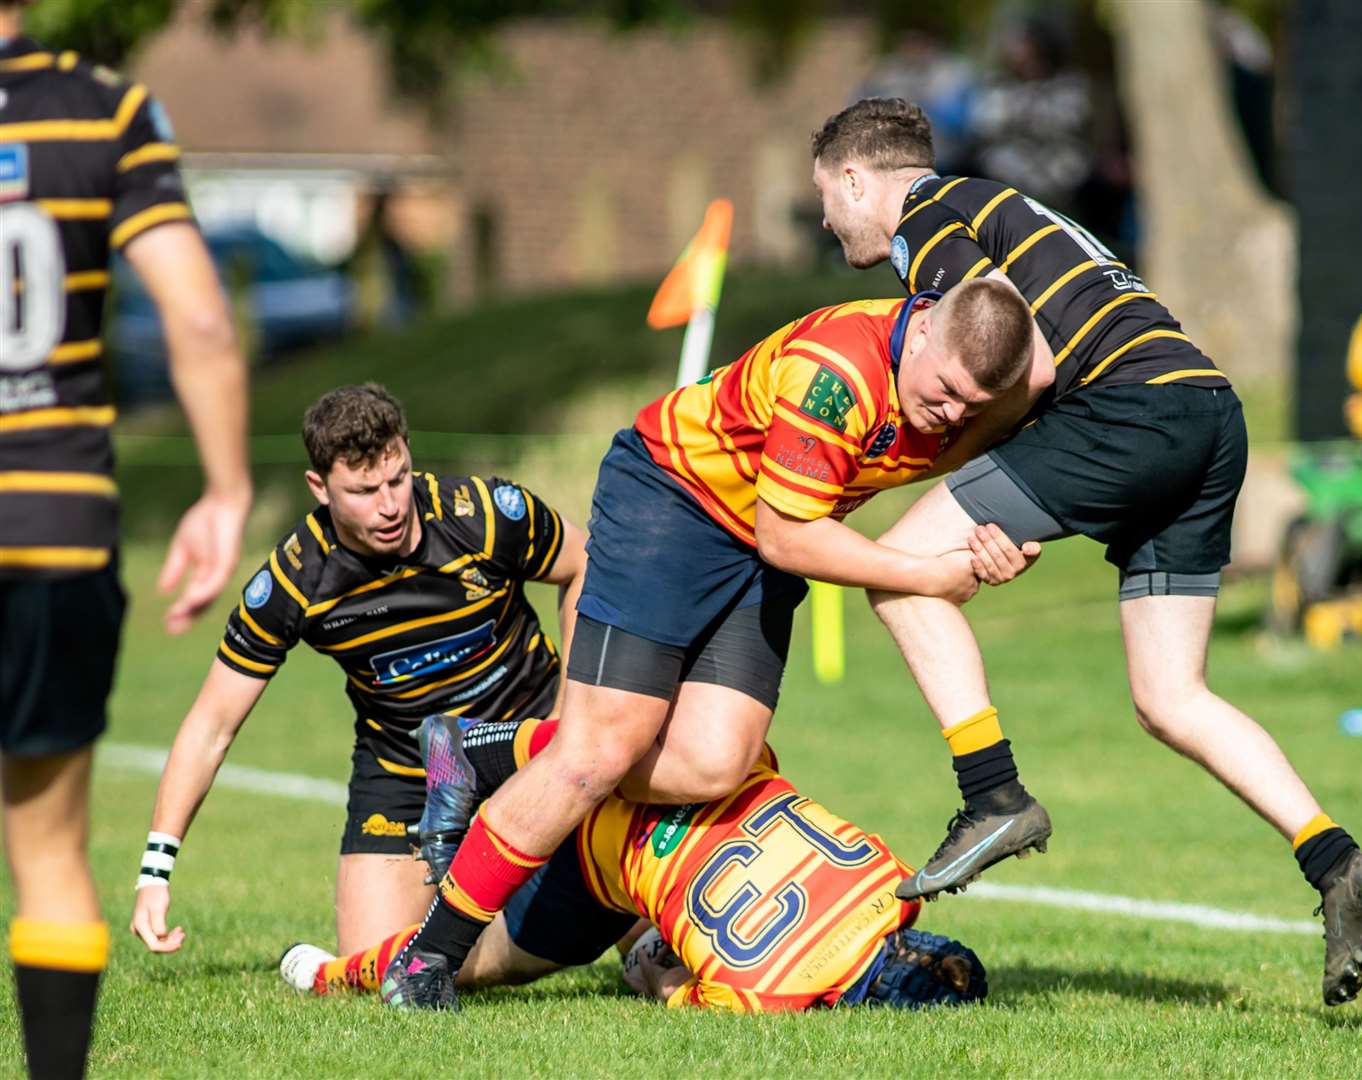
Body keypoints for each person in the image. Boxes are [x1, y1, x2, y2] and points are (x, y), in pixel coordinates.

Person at [808, 97, 1362, 1007]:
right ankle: (1335, 862)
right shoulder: (993, 201)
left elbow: (1023, 361)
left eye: (825, 196)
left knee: (897, 576)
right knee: (1171, 696)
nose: (822, 219)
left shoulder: (925, 223)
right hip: (1205, 409)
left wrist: (982, 481)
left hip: (1124, 411)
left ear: (857, 178)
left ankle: (992, 793)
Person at [379, 283, 1040, 1008]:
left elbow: (1020, 393)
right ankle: (426, 962)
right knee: (596, 756)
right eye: (944, 392)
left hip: (759, 540)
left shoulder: (971, 376)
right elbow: (787, 536)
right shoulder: (834, 376)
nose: (951, 417)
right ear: (917, 334)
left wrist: (992, 545)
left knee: (713, 764)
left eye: (971, 408)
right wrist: (927, 573)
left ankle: (478, 747)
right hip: (673, 499)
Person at [0, 8, 252, 1076]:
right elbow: (197, 321)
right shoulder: (104, 111)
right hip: (52, 527)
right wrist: (228, 489)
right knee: (50, 855)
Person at [128, 384, 586, 958]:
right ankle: (492, 928)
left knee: (633, 912)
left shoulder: (483, 516)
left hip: (531, 733)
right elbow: (212, 724)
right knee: (372, 960)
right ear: (319, 488)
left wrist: (571, 722)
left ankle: (546, 905)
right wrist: (155, 871)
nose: (391, 505)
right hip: (407, 766)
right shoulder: (297, 581)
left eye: (398, 479)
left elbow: (586, 564)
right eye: (364, 491)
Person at [281, 717, 986, 1012]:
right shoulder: (768, 998)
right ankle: (322, 972)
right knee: (474, 963)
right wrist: (672, 943)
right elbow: (653, 974)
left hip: (689, 770)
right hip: (601, 855)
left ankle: (489, 746)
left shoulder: (887, 879)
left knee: (720, 751)